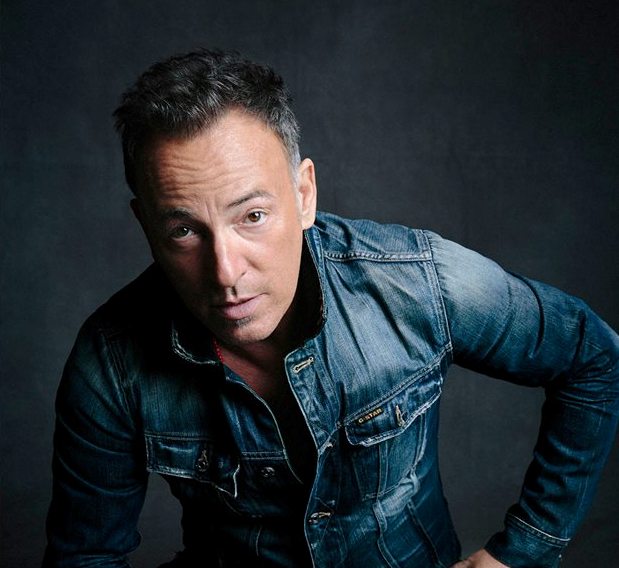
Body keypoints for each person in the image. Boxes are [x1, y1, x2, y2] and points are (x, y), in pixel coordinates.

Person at [43, 49, 619, 568]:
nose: (226, 272)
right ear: (146, 225)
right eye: (184, 230)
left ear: (304, 195)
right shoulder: (111, 361)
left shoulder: (414, 282)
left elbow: (593, 357)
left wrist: (524, 551)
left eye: (252, 216)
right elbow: (86, 556)